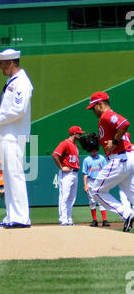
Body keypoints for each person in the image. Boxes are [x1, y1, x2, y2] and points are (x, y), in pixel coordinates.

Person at [0, 48, 33, 229]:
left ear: (11, 63)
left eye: (2, 63)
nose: (0, 67)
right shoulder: (12, 81)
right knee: (9, 176)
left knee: (15, 175)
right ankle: (12, 215)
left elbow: (19, 110)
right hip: (7, 134)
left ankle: (21, 217)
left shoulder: (22, 82)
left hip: (14, 136)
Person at [86, 91, 134, 232]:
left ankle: (127, 214)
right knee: (131, 193)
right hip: (127, 157)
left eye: (94, 107)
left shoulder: (107, 115)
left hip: (119, 159)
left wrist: (114, 141)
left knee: (96, 191)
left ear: (100, 104)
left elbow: (125, 123)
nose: (93, 111)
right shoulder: (106, 121)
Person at [52, 126, 85, 226]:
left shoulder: (75, 145)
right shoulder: (65, 143)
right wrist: (61, 167)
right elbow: (55, 154)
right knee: (64, 197)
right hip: (66, 173)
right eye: (79, 133)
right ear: (74, 134)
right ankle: (63, 219)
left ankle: (69, 219)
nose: (80, 135)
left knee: (72, 198)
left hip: (75, 173)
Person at [82, 148, 110, 227]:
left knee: (102, 200)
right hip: (90, 181)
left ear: (97, 150)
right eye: (92, 150)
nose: (93, 152)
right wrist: (85, 185)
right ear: (90, 150)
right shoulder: (86, 160)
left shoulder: (102, 158)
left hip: (100, 180)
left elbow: (106, 171)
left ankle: (105, 220)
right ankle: (95, 220)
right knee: (92, 200)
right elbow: (85, 174)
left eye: (95, 150)